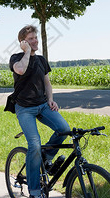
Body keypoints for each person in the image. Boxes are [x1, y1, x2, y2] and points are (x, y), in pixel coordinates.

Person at [9, 25, 70, 198]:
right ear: (23, 42)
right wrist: (27, 51)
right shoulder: (16, 58)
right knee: (34, 144)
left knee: (63, 129)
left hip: (43, 105)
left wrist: (50, 99)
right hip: (24, 108)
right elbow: (20, 70)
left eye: (36, 38)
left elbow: (47, 83)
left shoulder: (42, 60)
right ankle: (35, 191)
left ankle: (46, 156)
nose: (35, 41)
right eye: (30, 39)